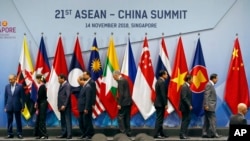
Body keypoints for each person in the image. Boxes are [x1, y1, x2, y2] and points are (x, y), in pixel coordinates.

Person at [4, 74, 24, 139]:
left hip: (17, 106)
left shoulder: (20, 86)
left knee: (18, 120)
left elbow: (23, 98)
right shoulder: (6, 87)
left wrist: (23, 106)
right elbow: (5, 97)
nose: (10, 81)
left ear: (15, 78)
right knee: (9, 121)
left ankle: (19, 133)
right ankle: (10, 134)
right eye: (9, 79)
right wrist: (5, 107)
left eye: (11, 79)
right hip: (9, 106)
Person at [113, 70, 132, 137]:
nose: (113, 78)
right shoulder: (124, 80)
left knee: (120, 118)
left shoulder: (120, 81)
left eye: (114, 77)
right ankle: (128, 133)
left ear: (116, 75)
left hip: (123, 102)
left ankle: (123, 134)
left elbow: (121, 94)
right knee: (127, 118)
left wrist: (119, 104)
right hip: (128, 102)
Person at [202, 73, 221, 138]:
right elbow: (206, 95)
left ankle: (205, 133)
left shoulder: (210, 85)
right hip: (209, 106)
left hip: (209, 106)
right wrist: (206, 105)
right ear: (213, 78)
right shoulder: (209, 85)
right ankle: (214, 133)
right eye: (217, 78)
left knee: (207, 120)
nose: (217, 80)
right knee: (213, 120)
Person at [78, 71, 95, 139]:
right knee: (82, 122)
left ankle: (89, 134)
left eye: (79, 81)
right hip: (81, 107)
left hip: (86, 107)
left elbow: (89, 98)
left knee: (87, 122)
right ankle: (84, 134)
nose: (79, 83)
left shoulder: (89, 86)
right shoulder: (83, 86)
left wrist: (87, 108)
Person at [153, 70, 169, 138]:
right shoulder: (161, 82)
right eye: (166, 74)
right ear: (163, 75)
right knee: (159, 119)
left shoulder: (158, 81)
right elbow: (163, 94)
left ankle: (161, 133)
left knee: (160, 119)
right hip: (160, 103)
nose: (167, 75)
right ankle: (156, 134)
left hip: (158, 103)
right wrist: (165, 104)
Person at [56, 74, 72, 139]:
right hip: (61, 106)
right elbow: (60, 96)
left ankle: (69, 134)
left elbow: (68, 96)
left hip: (66, 106)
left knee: (67, 120)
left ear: (63, 79)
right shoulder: (61, 85)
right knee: (63, 121)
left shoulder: (67, 85)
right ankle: (64, 134)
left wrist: (64, 105)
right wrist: (59, 106)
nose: (58, 80)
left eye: (59, 79)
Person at [34, 74, 48, 139]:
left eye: (37, 79)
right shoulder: (41, 86)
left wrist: (36, 104)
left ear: (39, 79)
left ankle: (44, 134)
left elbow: (40, 97)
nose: (36, 80)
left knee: (42, 120)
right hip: (41, 104)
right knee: (40, 120)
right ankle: (40, 134)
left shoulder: (42, 86)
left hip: (42, 104)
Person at [179, 74, 193, 139]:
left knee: (187, 119)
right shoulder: (184, 86)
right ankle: (182, 134)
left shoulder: (188, 86)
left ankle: (184, 133)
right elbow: (184, 97)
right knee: (185, 120)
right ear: (188, 79)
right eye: (191, 79)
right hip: (185, 107)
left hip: (186, 107)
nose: (192, 80)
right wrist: (189, 105)